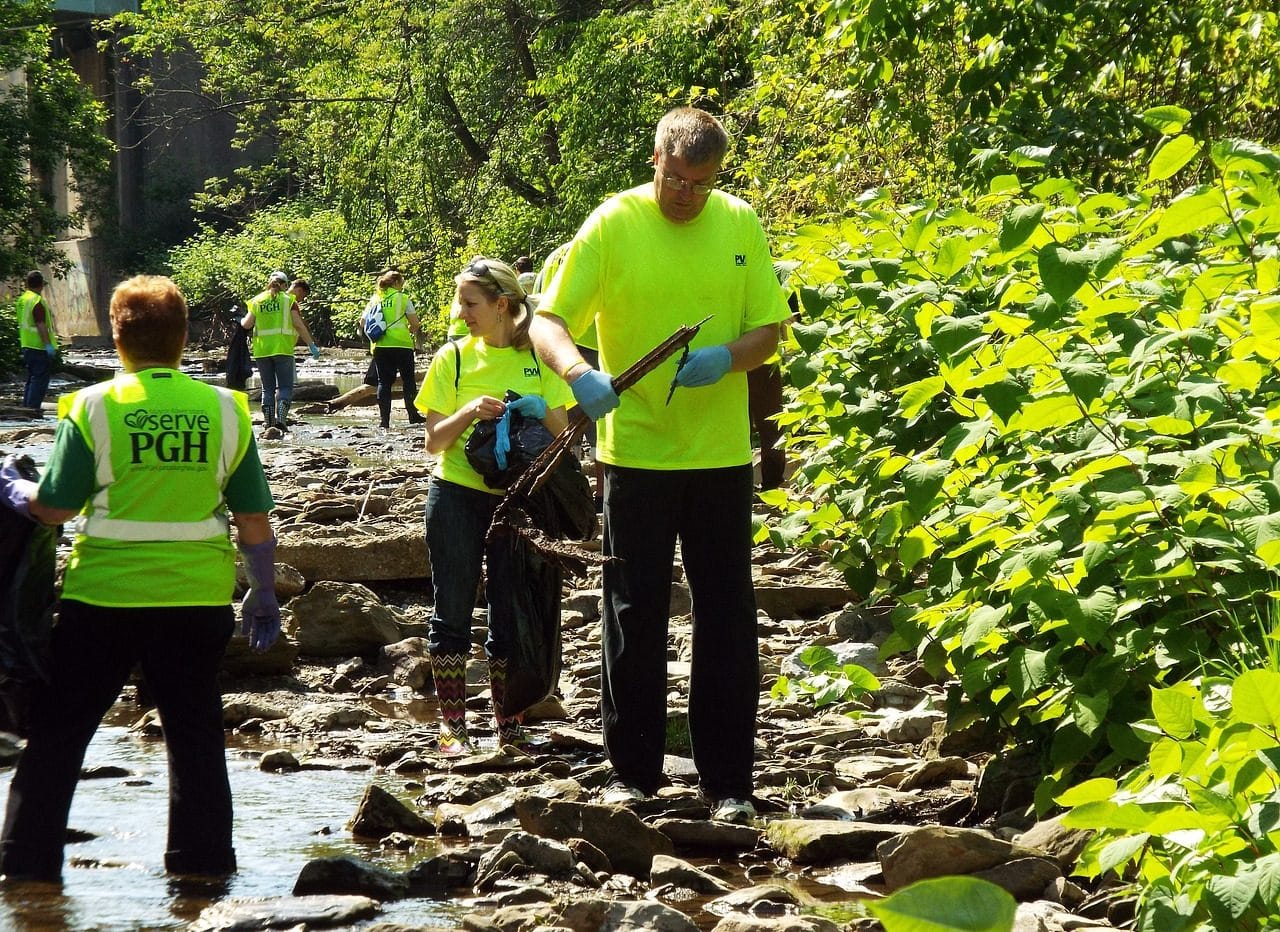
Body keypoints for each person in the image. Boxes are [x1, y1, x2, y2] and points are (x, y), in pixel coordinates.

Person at [529, 107, 790, 824]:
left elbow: (768, 331)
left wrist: (728, 358)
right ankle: (633, 775)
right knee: (633, 611)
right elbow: (548, 321)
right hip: (635, 455)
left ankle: (729, 782)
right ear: (654, 160)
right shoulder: (613, 223)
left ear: (717, 178)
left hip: (718, 457)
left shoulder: (738, 222)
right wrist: (579, 371)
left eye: (700, 184)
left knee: (728, 616)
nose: (685, 195)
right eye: (676, 179)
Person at [0, 274, 279, 884]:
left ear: (119, 336)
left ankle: (27, 872)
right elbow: (253, 517)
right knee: (197, 736)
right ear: (181, 339)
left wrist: (10, 488)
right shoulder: (224, 408)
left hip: (103, 597)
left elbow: (54, 508)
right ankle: (201, 874)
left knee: (59, 736)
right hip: (197, 600)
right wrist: (263, 590)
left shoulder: (92, 407)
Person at [415, 257, 573, 755]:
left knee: (511, 612)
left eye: (470, 303)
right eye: (461, 302)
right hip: (456, 495)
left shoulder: (539, 359)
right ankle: (453, 726)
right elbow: (434, 442)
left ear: (501, 304)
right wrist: (467, 411)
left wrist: (534, 406)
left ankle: (510, 723)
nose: (461, 312)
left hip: (517, 501)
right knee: (452, 610)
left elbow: (562, 434)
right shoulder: (453, 358)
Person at [240, 270, 320, 432]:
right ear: (284, 284)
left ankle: (269, 422)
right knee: (285, 387)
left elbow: (246, 325)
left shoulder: (258, 300)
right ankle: (281, 420)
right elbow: (297, 324)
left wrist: (239, 319)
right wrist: (311, 344)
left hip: (262, 350)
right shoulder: (288, 300)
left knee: (267, 388)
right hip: (282, 348)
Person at [366, 270, 425, 429]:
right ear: (397, 283)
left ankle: (384, 421)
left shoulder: (375, 299)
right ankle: (413, 415)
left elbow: (363, 321)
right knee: (408, 381)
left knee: (384, 382)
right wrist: (410, 331)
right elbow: (415, 323)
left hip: (381, 346)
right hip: (402, 344)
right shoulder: (403, 298)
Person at [15, 271, 58, 415]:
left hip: (26, 344)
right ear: (41, 285)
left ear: (27, 284)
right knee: (39, 379)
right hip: (38, 346)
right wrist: (48, 345)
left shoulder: (22, 299)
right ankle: (33, 410)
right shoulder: (36, 301)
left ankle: (26, 408)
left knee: (32, 378)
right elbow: (40, 325)